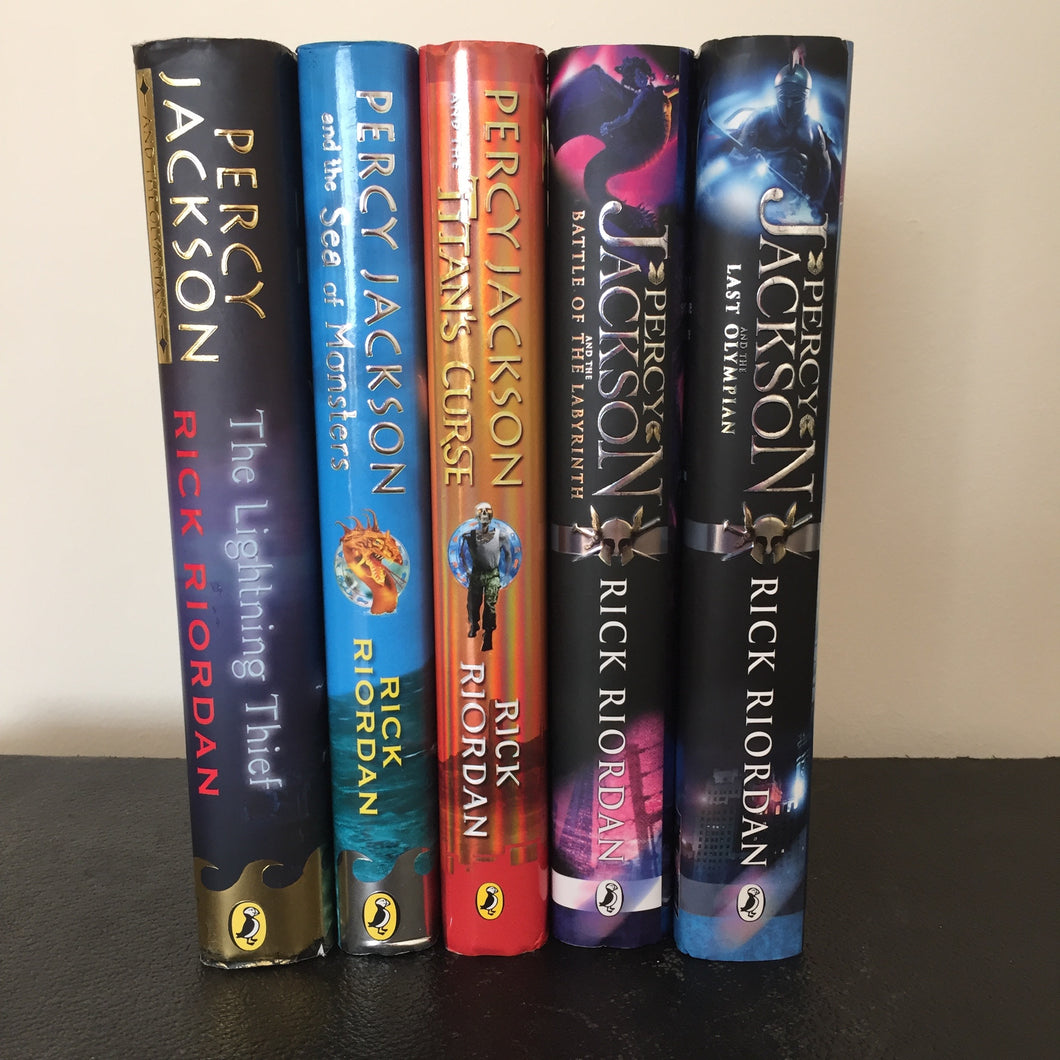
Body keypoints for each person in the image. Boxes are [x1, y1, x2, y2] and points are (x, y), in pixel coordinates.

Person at [461, 502, 512, 652]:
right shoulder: (469, 536)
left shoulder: (501, 536)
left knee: (490, 605)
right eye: (481, 511)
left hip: (492, 574)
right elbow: (462, 553)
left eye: (487, 511)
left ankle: (488, 633)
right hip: (476, 574)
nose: (484, 514)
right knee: (472, 604)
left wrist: (506, 574)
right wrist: (466, 569)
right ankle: (474, 624)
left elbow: (508, 554)